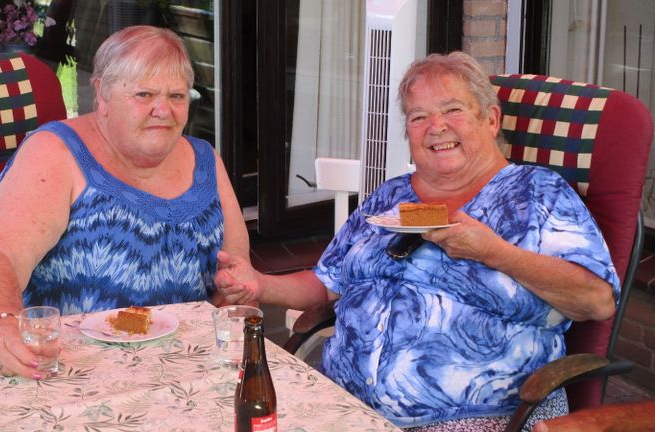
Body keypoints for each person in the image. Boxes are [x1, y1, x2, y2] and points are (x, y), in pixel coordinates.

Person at [214, 52, 619, 431]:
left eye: (452, 110)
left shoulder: (537, 193)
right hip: (344, 401)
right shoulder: (391, 196)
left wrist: (494, 253)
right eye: (418, 116)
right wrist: (259, 284)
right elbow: (327, 282)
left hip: (473, 415)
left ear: (492, 120)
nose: (435, 127)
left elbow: (596, 300)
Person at [0, 26, 249, 380]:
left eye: (177, 96)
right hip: (37, 363)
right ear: (102, 94)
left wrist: (235, 289)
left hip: (162, 372)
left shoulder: (205, 159)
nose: (163, 110)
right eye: (145, 94)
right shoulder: (56, 152)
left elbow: (236, 279)